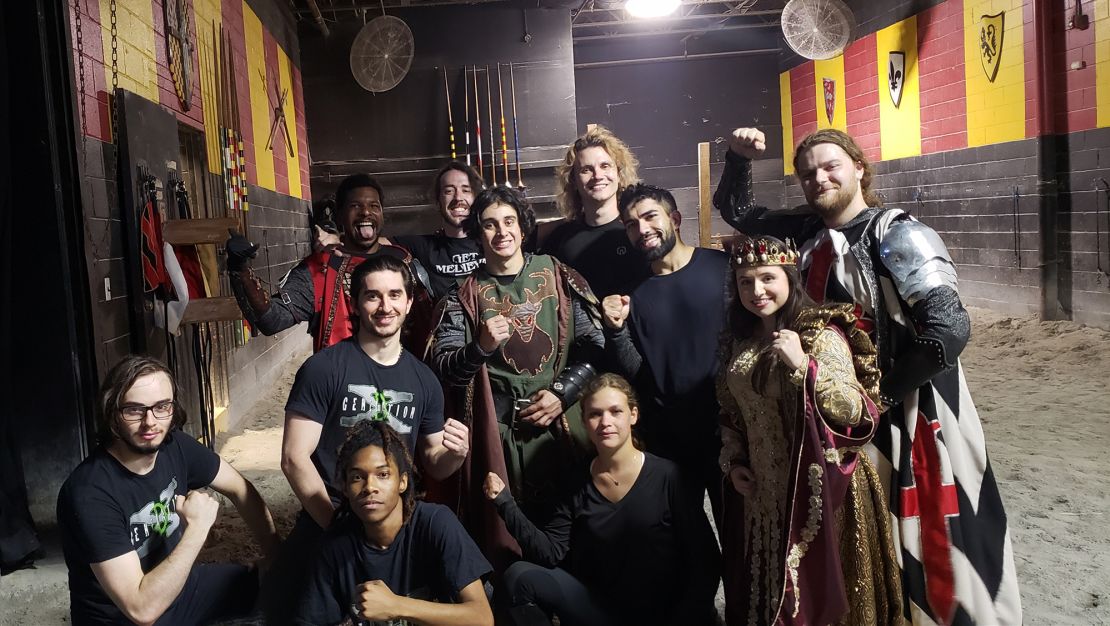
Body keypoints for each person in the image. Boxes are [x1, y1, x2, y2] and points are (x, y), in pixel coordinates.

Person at [715, 127, 1022, 625]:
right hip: (830, 408)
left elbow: (949, 330)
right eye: (808, 172)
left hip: (906, 412)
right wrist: (737, 157)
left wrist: (876, 399)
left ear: (859, 166)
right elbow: (740, 211)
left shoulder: (898, 233)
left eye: (831, 165)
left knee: (922, 537)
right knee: (853, 543)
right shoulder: (805, 234)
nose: (819, 178)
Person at [266, 254, 469, 622]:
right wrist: (338, 530)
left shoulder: (424, 381)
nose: (385, 306)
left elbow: (435, 463)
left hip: (393, 527)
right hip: (328, 518)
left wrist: (456, 454)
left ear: (409, 303)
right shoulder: (324, 368)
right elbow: (294, 458)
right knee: (284, 606)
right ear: (355, 303)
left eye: (394, 295)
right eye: (373, 296)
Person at [716, 235, 902, 626]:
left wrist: (804, 367)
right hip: (764, 494)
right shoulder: (739, 341)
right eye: (745, 281)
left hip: (822, 488)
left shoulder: (820, 334)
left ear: (788, 278)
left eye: (767, 278)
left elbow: (856, 409)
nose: (756, 290)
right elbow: (731, 413)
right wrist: (734, 462)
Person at [432, 186, 603, 569]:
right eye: (489, 225)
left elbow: (594, 345)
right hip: (500, 433)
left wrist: (564, 392)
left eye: (509, 221)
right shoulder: (463, 295)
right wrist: (479, 347)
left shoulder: (559, 276)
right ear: (478, 234)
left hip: (561, 424)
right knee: (505, 536)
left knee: (574, 531)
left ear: (523, 228)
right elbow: (445, 370)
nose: (501, 232)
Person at [57, 355, 279, 625]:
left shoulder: (175, 447)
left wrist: (275, 554)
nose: (150, 421)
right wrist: (197, 528)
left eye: (162, 406)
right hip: (126, 616)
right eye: (134, 410)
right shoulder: (89, 493)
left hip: (178, 592)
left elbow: (240, 489)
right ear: (112, 412)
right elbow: (141, 610)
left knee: (279, 581)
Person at [484, 374, 720, 626]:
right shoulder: (575, 481)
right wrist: (505, 503)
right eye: (595, 414)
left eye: (615, 411)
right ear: (584, 422)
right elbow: (550, 553)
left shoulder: (670, 477)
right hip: (601, 613)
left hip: (664, 615)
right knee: (519, 577)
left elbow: (705, 562)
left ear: (633, 415)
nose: (605, 422)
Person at [601, 182, 730, 520]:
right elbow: (637, 373)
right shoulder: (632, 296)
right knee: (686, 551)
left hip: (730, 433)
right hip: (669, 443)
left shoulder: (724, 270)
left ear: (675, 218)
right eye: (631, 224)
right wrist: (615, 331)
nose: (641, 229)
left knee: (742, 540)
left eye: (649, 217)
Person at [296, 420, 493, 626]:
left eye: (383, 474)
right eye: (357, 477)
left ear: (402, 482)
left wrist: (396, 606)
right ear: (345, 488)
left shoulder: (435, 524)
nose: (369, 487)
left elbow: (482, 618)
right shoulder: (334, 547)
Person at [226, 173, 434, 353]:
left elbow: (429, 326)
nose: (365, 212)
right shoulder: (321, 267)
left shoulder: (403, 260)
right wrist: (240, 268)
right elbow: (272, 320)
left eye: (374, 206)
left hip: (403, 384)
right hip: (341, 387)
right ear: (341, 215)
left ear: (382, 214)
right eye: (355, 206)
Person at [534, 125, 651, 298]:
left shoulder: (638, 232)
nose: (597, 175)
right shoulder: (559, 239)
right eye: (586, 170)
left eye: (605, 166)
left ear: (619, 174)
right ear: (573, 180)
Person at [391, 161, 486, 301]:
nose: (458, 197)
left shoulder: (492, 241)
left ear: (476, 199)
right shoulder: (424, 246)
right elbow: (372, 246)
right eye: (449, 191)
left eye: (466, 190)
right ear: (438, 201)